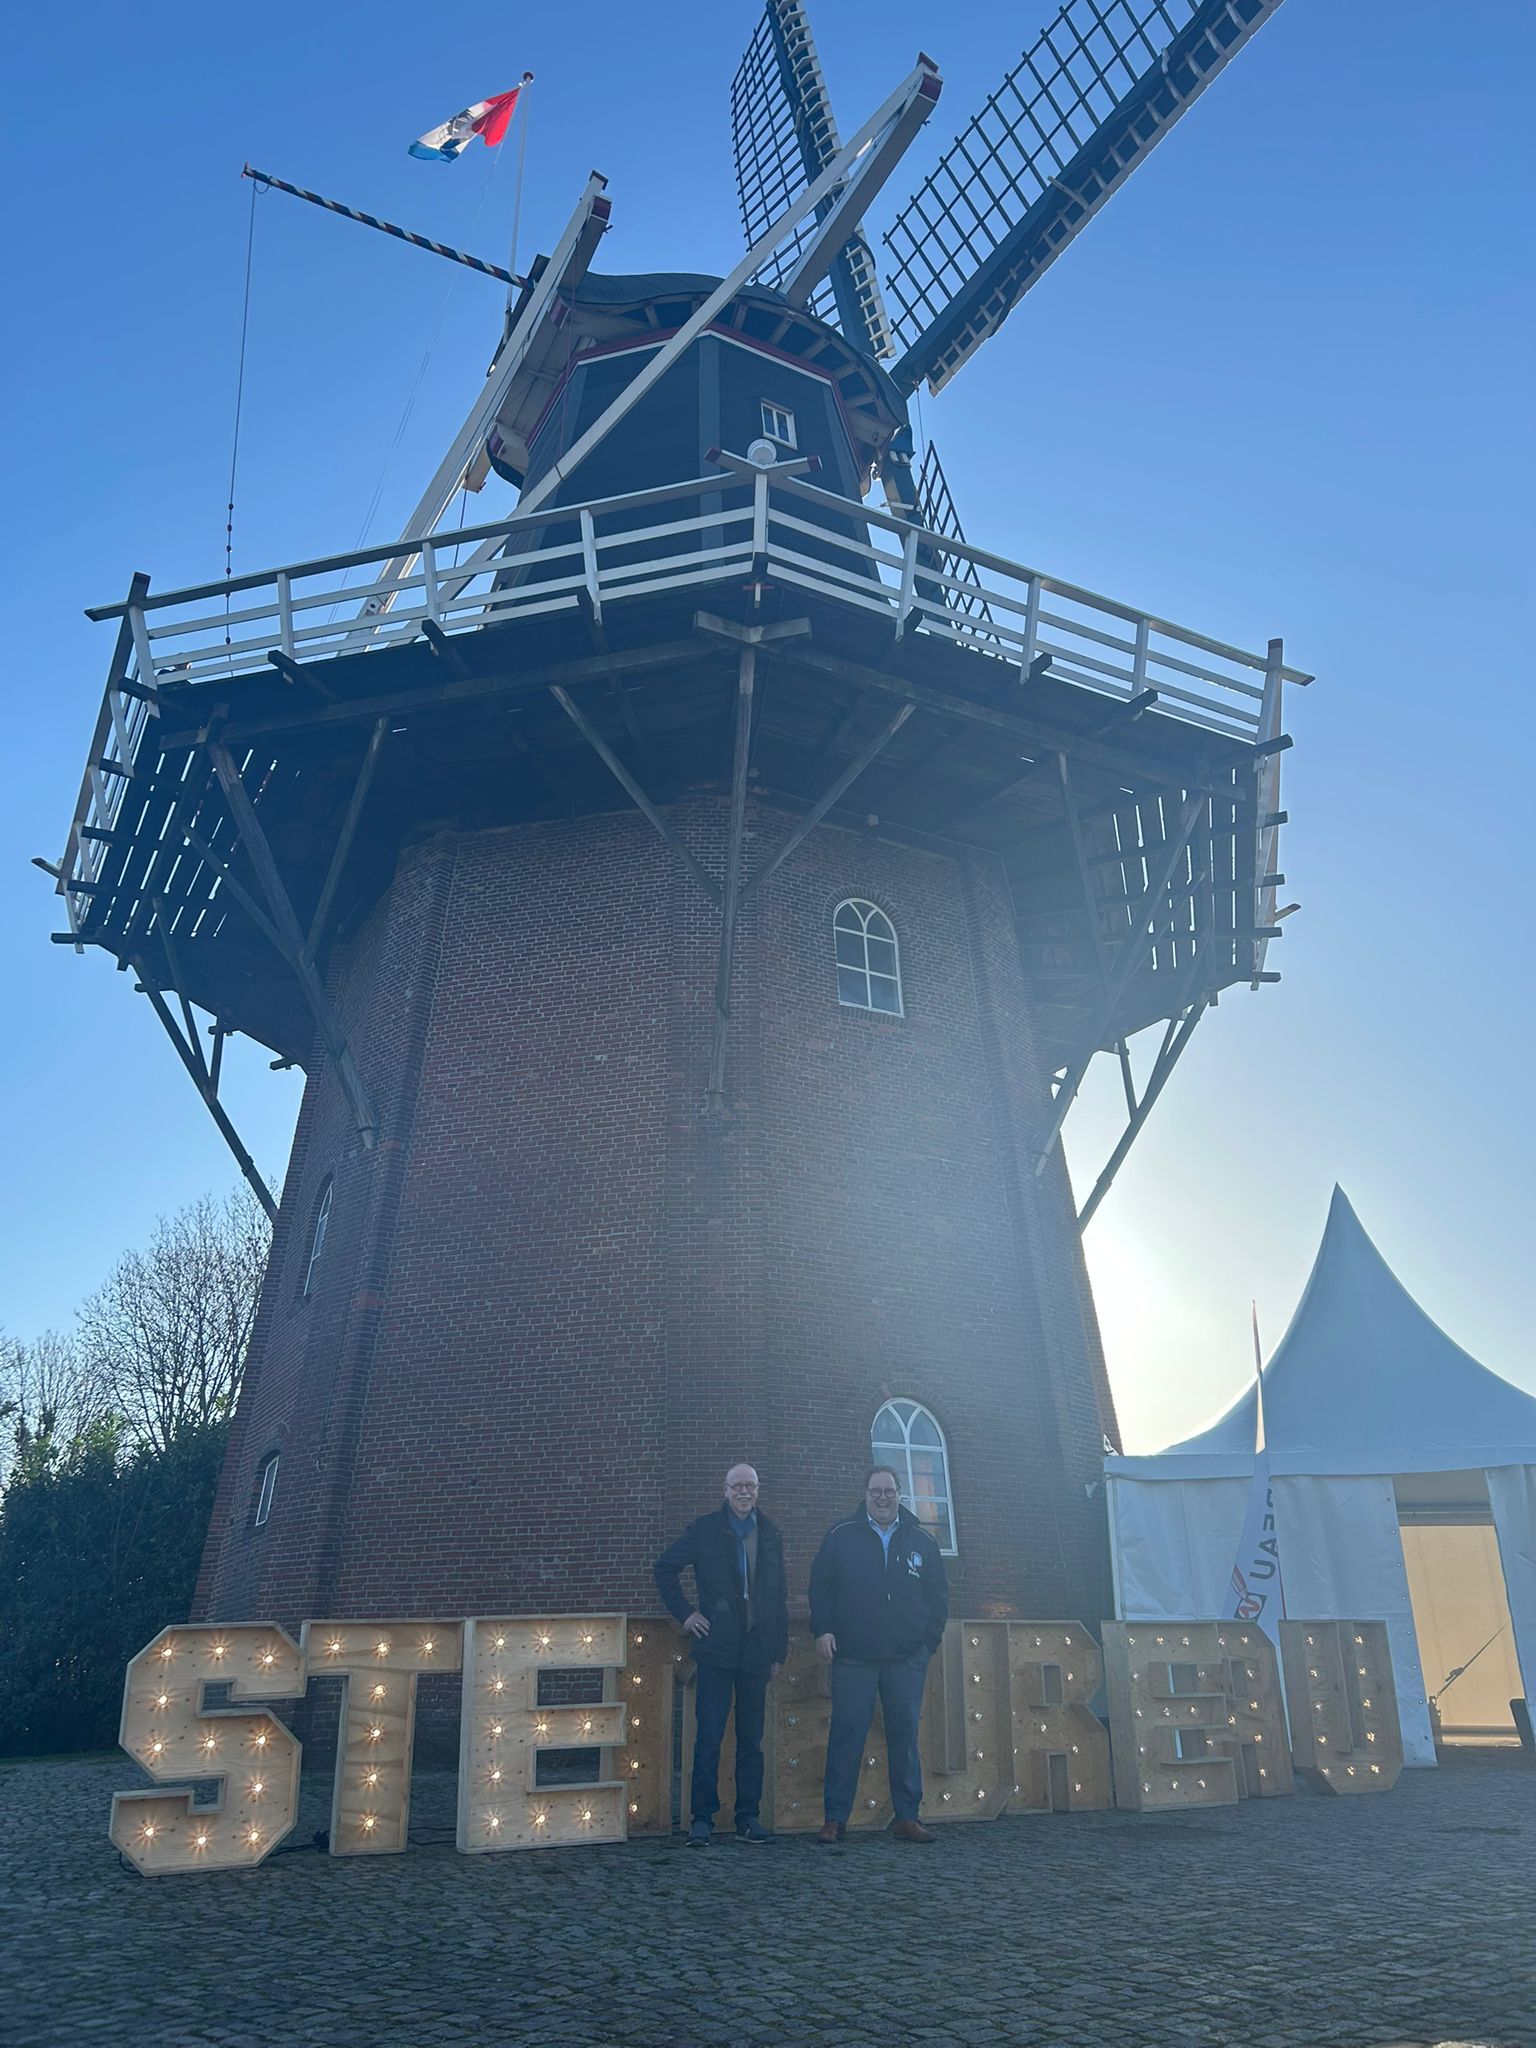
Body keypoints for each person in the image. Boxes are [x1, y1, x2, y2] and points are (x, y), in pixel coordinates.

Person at [808, 1464, 949, 1843]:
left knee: (904, 1735)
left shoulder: (921, 1539)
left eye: (889, 1491)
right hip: (854, 1655)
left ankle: (907, 1816)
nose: (882, 1497)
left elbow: (939, 1596)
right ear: (865, 1494)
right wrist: (822, 1629)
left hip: (905, 1658)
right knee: (846, 1734)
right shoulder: (841, 1535)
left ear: (900, 1495)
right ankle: (835, 1819)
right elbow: (820, 1586)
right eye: (875, 1491)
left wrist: (926, 1643)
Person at [654, 1462, 788, 1845]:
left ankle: (748, 1818)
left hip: (758, 1652)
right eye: (737, 1486)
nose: (744, 1492)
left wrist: (778, 1651)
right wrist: (686, 1614)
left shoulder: (771, 1534)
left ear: (758, 1490)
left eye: (750, 1485)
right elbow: (665, 1569)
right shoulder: (705, 1530)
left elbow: (778, 1596)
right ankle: (702, 1819)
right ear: (725, 1490)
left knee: (751, 1740)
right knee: (709, 1737)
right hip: (716, 1649)